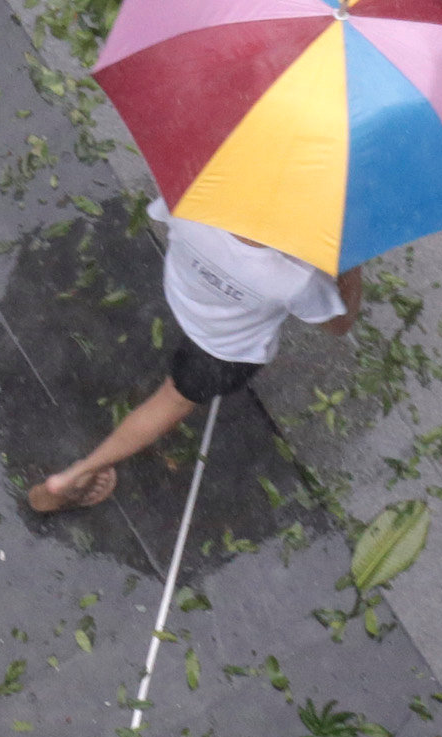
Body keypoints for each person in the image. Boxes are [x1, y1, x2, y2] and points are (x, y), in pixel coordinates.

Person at [28, 201, 361, 511]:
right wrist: (351, 265)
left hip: (183, 298)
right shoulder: (297, 276)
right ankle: (81, 473)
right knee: (172, 400)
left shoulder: (193, 196)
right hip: (226, 350)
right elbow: (340, 324)